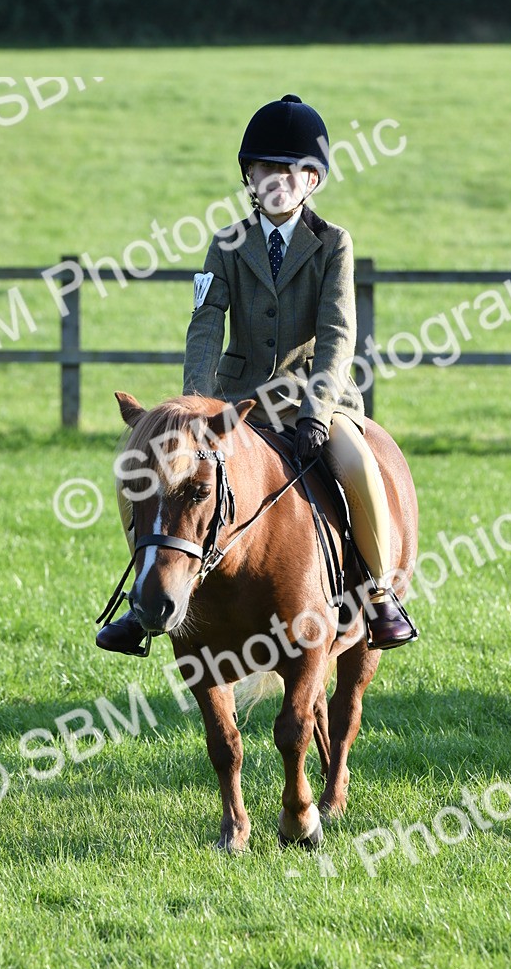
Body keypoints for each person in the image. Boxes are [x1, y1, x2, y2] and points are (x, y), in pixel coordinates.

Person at [97, 93, 417, 655]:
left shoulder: (333, 244)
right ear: (249, 175)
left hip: (316, 401)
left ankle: (378, 590)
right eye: (267, 168)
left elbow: (338, 334)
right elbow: (205, 325)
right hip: (236, 406)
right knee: (148, 475)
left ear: (312, 179)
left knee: (360, 466)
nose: (278, 180)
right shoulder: (226, 244)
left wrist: (317, 411)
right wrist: (195, 410)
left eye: (292, 170)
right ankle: (143, 598)